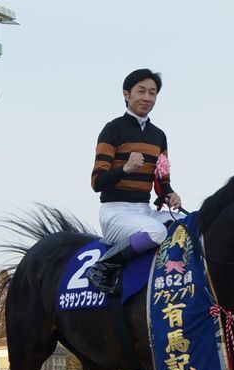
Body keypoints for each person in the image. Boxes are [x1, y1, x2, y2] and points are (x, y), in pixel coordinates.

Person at [86, 68, 183, 294]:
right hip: (115, 212)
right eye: (141, 91)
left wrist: (170, 195)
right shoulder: (112, 130)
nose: (147, 98)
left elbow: (162, 180)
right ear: (126, 94)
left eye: (152, 93)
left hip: (144, 211)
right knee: (157, 232)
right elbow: (97, 181)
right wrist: (125, 168)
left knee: (185, 227)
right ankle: (104, 266)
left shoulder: (158, 136)